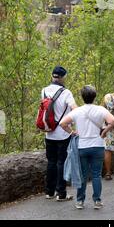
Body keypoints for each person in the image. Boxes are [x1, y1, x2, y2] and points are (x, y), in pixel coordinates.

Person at [60, 86, 114, 210]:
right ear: (94, 96)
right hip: (98, 145)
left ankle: (80, 201)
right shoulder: (101, 110)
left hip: (82, 146)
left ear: (82, 97)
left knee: (83, 175)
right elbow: (113, 121)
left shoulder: (77, 111)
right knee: (96, 175)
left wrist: (72, 132)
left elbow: (62, 123)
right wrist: (104, 131)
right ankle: (97, 201)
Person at [42, 66, 77, 202]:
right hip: (63, 133)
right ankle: (61, 193)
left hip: (49, 132)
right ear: (62, 77)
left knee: (51, 161)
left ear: (52, 76)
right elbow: (75, 109)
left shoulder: (44, 90)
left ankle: (49, 192)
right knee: (61, 162)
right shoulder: (66, 92)